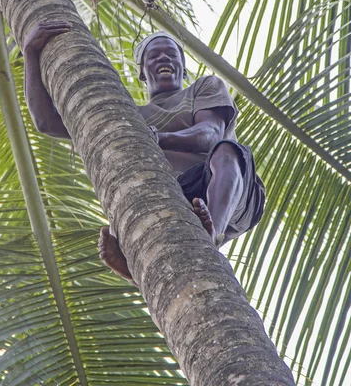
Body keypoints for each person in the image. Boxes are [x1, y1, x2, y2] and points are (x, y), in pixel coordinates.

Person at [24, 23, 265, 282]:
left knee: (227, 151)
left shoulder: (203, 88)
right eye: (154, 55)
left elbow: (210, 134)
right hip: (174, 193)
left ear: (183, 69)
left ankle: (212, 234)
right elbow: (46, 122)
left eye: (172, 55)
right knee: (131, 196)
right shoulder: (130, 115)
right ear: (142, 72)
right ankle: (136, 270)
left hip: (224, 188)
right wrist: (30, 54)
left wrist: (156, 138)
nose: (164, 58)